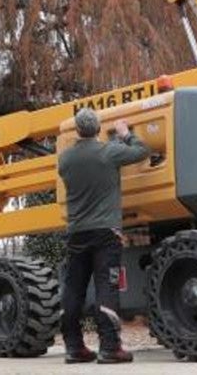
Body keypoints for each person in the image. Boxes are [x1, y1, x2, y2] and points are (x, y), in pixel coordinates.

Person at [56, 107, 151, 364]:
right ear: (98, 129)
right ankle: (110, 347)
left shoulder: (65, 160)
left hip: (76, 233)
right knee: (106, 286)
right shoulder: (109, 152)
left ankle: (74, 348)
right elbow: (142, 151)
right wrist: (125, 134)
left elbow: (85, 164)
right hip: (106, 233)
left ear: (77, 129)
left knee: (73, 289)